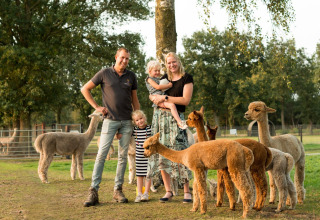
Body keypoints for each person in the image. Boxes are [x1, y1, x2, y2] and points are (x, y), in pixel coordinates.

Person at [81, 47, 140, 207]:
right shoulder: (104, 73)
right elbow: (85, 89)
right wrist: (97, 107)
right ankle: (93, 192)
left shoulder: (131, 76)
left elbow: (134, 100)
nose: (124, 61)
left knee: (122, 157)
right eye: (122, 57)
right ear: (116, 57)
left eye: (127, 58)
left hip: (127, 122)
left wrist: (138, 116)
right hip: (110, 121)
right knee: (101, 155)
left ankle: (117, 190)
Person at [147, 52, 193, 203]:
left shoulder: (186, 78)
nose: (171, 65)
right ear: (165, 65)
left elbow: (185, 100)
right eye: (168, 63)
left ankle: (186, 190)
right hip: (160, 117)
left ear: (178, 62)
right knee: (161, 153)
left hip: (176, 118)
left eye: (174, 62)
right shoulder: (163, 78)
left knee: (180, 152)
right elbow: (153, 92)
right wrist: (153, 97)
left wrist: (165, 97)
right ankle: (168, 191)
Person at [145, 60, 188, 129]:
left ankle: (179, 122)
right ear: (149, 71)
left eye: (159, 71)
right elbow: (158, 87)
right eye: (155, 71)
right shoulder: (149, 79)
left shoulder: (158, 79)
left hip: (161, 97)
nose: (158, 72)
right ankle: (180, 122)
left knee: (172, 106)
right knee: (172, 105)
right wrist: (168, 85)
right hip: (157, 98)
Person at [131, 110, 152, 202]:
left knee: (148, 175)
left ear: (144, 118)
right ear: (134, 122)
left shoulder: (150, 128)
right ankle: (139, 193)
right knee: (139, 175)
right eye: (137, 120)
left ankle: (146, 193)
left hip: (148, 156)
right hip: (139, 156)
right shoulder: (134, 131)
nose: (140, 121)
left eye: (141, 118)